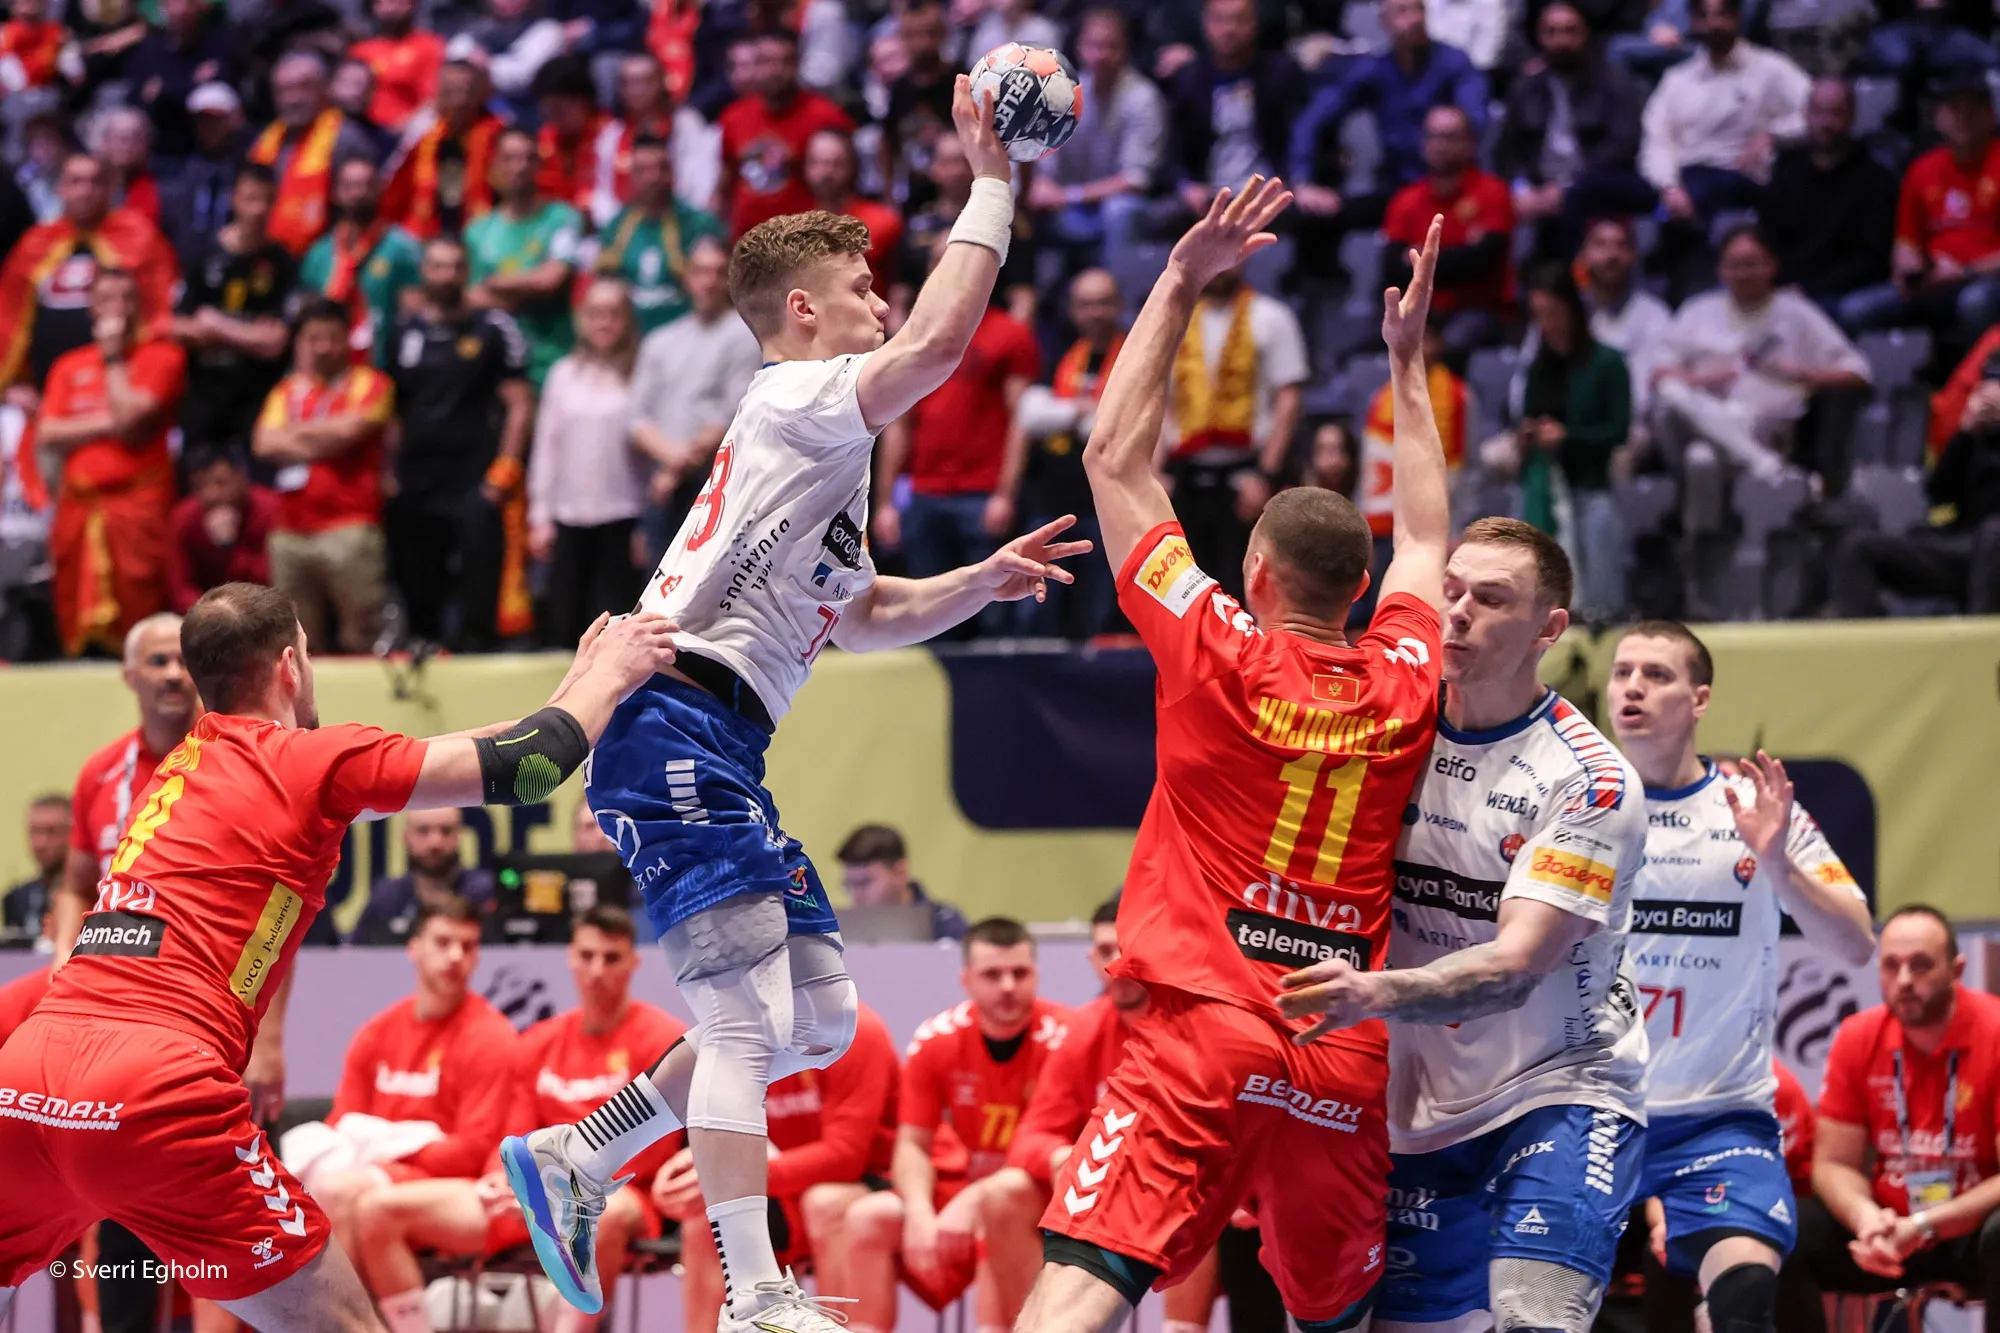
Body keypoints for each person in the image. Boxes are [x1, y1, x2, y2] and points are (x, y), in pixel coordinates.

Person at [500, 83, 1089, 1333]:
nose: (883, 301)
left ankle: (579, 1152)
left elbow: (861, 612)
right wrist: (992, 179)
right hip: (669, 721)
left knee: (817, 1017)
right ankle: (754, 1295)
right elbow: (935, 351)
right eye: (864, 287)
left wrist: (976, 583)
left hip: (721, 741)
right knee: (739, 1019)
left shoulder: (824, 448)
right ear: (804, 310)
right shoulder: (796, 397)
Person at [0, 580, 678, 1332]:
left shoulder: (177, 771)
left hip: (24, 1080)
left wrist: (577, 687)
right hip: (154, 1083)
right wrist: (615, 671)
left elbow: (497, 748)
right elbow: (532, 767)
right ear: (291, 665)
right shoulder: (309, 761)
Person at [1010, 182, 1448, 1333]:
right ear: (1359, 587)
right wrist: (1406, 365)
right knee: (1335, 1314)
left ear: (1253, 572)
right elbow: (1428, 535)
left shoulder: (1216, 644)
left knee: (1086, 1278)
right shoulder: (1405, 676)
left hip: (1205, 1027)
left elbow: (1112, 457)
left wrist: (1175, 280)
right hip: (1341, 1047)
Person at [1276, 515, 1648, 1333]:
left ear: (1549, 628)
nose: (1458, 612)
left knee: (1533, 1318)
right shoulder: (1384, 735)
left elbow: (1515, 967)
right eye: (1450, 591)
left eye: (1491, 598)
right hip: (1411, 1107)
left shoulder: (1590, 781)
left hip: (1557, 1086)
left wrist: (1372, 991)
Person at [1609, 620, 1876, 1333]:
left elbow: (1855, 943)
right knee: (1533, 1302)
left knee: (1748, 1294)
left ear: (1699, 699)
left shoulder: (1753, 809)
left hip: (1717, 1115)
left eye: (1656, 674)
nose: (1633, 687)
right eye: (1622, 671)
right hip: (1593, 1105)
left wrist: (1779, 864)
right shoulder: (1580, 801)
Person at [353, 907, 686, 1333]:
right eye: (587, 956)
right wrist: (500, 1179)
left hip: (619, 1194)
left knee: (602, 1213)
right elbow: (515, 1130)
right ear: (570, 957)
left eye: (611, 957)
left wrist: (559, 1185)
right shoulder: (540, 1041)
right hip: (530, 1195)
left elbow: (651, 1150)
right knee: (377, 1212)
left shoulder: (661, 1038)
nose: (597, 970)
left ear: (633, 962)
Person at [843, 919, 1070, 1329]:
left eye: (1019, 973)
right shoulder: (937, 1038)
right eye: (992, 974)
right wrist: (918, 1213)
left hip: (1037, 1198)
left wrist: (975, 1200)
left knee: (999, 1207)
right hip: (966, 1189)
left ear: (1036, 975)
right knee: (868, 1218)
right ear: (966, 980)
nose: (1007, 986)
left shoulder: (1067, 1039)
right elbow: (913, 1143)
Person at [1797, 906, 2000, 1333]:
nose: (1904, 980)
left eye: (1921, 965)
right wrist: (1867, 1220)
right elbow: (1832, 1164)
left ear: (1957, 970)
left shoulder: (1995, 1030)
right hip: (1889, 1228)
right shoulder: (1858, 1036)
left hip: (1971, 1231)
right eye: (1891, 966)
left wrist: (1924, 1225)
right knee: (1782, 1227)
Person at [664, 1006, 901, 1333]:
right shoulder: (735, 1035)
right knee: (706, 1216)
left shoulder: (855, 1029)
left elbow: (846, 1156)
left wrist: (732, 1179)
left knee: (825, 1203)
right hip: (784, 1187)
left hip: (867, 1183)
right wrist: (697, 1167)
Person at [312, 896, 520, 1252]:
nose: (455, 956)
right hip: (382, 1170)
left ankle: (349, 1293)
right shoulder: (377, 1033)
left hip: (453, 1187)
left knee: (340, 1191)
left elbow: (472, 1151)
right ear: (414, 948)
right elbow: (342, 1123)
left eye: (468, 946)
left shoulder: (492, 1037)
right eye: (443, 942)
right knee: (286, 1193)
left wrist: (392, 1155)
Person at [1651, 227, 1871, 531]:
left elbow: (1859, 372)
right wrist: (1701, 378)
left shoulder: (1797, 313)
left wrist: (1803, 373)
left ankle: (1700, 549)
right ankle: (1764, 465)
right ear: (1721, 270)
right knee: (1670, 392)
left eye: (1751, 264)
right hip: (1706, 417)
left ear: (1771, 266)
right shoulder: (1697, 310)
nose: (1743, 273)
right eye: (1734, 265)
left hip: (1768, 427)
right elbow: (1659, 374)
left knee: (1701, 459)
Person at [385, 235, 534, 653]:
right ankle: (423, 651)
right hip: (417, 480)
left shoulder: (493, 328)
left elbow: (520, 403)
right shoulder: (403, 331)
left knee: (479, 582)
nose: (446, 275)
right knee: (419, 581)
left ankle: (477, 652)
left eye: (455, 266)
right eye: (437, 266)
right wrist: (389, 471)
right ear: (424, 272)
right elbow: (393, 407)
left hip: (475, 479)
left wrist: (505, 468)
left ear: (467, 272)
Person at [36, 265, 186, 658]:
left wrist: (113, 358)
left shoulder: (162, 356)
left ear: (139, 306)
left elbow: (133, 420)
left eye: (125, 297)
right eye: (105, 298)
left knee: (139, 604)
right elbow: (48, 432)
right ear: (91, 307)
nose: (116, 307)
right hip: (78, 507)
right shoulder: (68, 366)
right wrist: (108, 423)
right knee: (73, 608)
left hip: (137, 507)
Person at [873, 273, 1041, 603]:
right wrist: (885, 503)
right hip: (923, 493)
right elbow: (898, 423)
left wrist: (1005, 494)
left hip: (982, 493)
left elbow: (1020, 421)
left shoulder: (1010, 333)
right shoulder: (916, 335)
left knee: (990, 606)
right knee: (923, 606)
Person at [48, 612, 198, 962]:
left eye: (184, 661)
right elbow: (76, 888)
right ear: (130, 676)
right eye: (158, 662)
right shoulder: (101, 771)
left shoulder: (234, 756)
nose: (174, 674)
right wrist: (63, 952)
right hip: (111, 961)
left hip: (197, 960)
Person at [1158, 258, 1309, 600]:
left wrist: (1266, 475)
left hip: (1247, 471)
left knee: (1245, 583)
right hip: (1184, 473)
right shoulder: (1177, 318)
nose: (1220, 267)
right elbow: (1164, 401)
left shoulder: (1271, 317)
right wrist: (1156, 474)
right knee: (1185, 588)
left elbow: (1288, 401)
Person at [1639, 0, 1809, 298]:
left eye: (1722, 14)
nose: (1714, 24)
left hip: (1743, 176)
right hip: (1687, 179)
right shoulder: (1677, 79)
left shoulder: (1770, 68)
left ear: (1738, 17)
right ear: (1693, 22)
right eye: (1704, 16)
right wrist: (1669, 186)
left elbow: (1816, 111)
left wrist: (1774, 134)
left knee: (1718, 195)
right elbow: (1656, 139)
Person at [253, 298, 394, 655]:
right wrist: (325, 439)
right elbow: (263, 443)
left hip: (351, 527)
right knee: (295, 643)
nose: (324, 347)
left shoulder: (372, 383)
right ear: (301, 341)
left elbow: (351, 431)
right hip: (289, 533)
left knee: (361, 635)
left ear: (348, 338)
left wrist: (293, 433)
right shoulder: (287, 390)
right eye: (314, 338)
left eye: (333, 337)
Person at [1289, 0, 1489, 249]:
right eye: (1402, 12)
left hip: (1451, 185)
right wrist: (1303, 181)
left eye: (1419, 9)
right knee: (1310, 218)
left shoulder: (1454, 63)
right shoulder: (1375, 69)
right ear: (1385, 23)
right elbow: (1312, 121)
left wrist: (1443, 135)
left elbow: (1474, 121)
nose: (1414, 19)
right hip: (1396, 187)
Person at [1003, 268, 1124, 639]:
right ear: (1072, 309)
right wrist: (1005, 494)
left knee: (1100, 607)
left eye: (1104, 303)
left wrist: (1065, 414)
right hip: (1052, 499)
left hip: (1108, 504)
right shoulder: (1056, 352)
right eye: (1086, 305)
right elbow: (1028, 417)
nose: (1095, 313)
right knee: (1038, 606)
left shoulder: (1134, 354)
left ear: (1119, 305)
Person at [528, 278, 649, 647]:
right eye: (595, 314)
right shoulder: (563, 374)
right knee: (564, 625)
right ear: (582, 319)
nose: (604, 323)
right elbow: (547, 447)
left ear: (627, 319)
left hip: (623, 517)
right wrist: (539, 515)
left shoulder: (643, 374)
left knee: (615, 630)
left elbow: (651, 452)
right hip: (568, 519)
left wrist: (648, 524)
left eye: (613, 314)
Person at [0, 153, 178, 399]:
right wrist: (11, 385)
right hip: (39, 391)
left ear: (110, 188)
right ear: (61, 189)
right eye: (75, 182)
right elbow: (8, 319)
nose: (85, 191)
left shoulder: (139, 237)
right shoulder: (35, 243)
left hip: (120, 381)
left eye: (95, 182)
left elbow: (159, 312)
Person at [1511, 264, 1632, 622]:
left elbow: (1618, 431)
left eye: (1553, 312)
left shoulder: (1608, 363)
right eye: (1539, 315)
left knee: (1599, 583)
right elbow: (1529, 414)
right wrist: (1529, 434)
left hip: (1591, 482)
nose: (1546, 323)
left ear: (1572, 309)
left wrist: (1568, 437)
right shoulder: (1539, 365)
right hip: (1547, 484)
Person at [1842, 73, 2000, 345]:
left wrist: (1966, 271)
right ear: (1939, 117)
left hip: (1986, 280)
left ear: (1991, 117)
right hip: (1933, 282)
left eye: (1973, 110)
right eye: (1955, 109)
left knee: (1975, 302)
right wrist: (1911, 273)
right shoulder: (1921, 170)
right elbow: (1907, 243)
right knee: (1855, 309)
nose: (1963, 118)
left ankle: (1979, 371)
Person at [626, 234, 762, 552]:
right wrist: (671, 460)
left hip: (715, 483)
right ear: (687, 277)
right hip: (661, 480)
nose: (709, 281)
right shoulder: (660, 340)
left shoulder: (744, 336)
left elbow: (734, 412)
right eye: (701, 271)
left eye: (719, 272)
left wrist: (676, 468)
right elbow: (636, 417)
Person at [1494, 1, 1653, 261]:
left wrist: (1565, 187)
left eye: (1570, 31)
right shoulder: (1525, 87)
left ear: (1585, 34)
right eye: (1552, 32)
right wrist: (1522, 189)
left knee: (1580, 197)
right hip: (1540, 186)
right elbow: (1507, 151)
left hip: (1596, 184)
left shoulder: (1614, 82)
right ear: (1539, 37)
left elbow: (1623, 145)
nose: (1561, 41)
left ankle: (1571, 276)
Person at [1022, 8, 1165, 275]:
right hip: (1068, 210)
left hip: (1116, 206)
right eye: (1094, 46)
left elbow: (1135, 181)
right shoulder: (1062, 92)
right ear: (1079, 48)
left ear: (1126, 50)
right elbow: (1045, 163)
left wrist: (1068, 196)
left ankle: (1116, 294)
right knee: (1017, 199)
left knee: (1121, 211)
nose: (1101, 55)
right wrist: (1040, 185)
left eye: (1111, 46)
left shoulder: (1143, 97)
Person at [171, 164, 296, 461]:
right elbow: (178, 327)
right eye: (251, 198)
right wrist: (251, 336)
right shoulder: (201, 254)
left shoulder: (283, 262)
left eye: (266, 200)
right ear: (234, 200)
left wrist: (215, 326)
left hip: (258, 396)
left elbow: (275, 342)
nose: (258, 209)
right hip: (204, 393)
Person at [1161, 0, 1306, 240]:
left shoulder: (1282, 74)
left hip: (1268, 192)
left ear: (1255, 24)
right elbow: (1172, 149)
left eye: (1239, 20)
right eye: (1220, 20)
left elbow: (1300, 135)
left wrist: (1295, 181)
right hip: (1208, 195)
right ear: (1205, 25)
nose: (1229, 29)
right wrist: (1186, 185)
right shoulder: (1188, 80)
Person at [1382, 104, 1516, 358]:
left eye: (1450, 137)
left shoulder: (1493, 192)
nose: (1440, 145)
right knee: (1372, 344)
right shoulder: (1405, 200)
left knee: (1451, 343)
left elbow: (1482, 262)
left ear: (1470, 143)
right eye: (1433, 136)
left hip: (1479, 310)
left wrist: (1419, 259)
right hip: (1419, 310)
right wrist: (1460, 254)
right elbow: (1391, 267)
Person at [1759, 80, 1897, 316]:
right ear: (1806, 114)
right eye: (1818, 112)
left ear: (1852, 117)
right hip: (1782, 286)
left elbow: (1872, 260)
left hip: (1839, 293)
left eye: (1835, 113)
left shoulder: (1876, 179)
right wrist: (1779, 284)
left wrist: (1808, 290)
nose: (1825, 122)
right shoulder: (1786, 168)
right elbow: (1769, 237)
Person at [466, 126, 584, 389]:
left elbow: (551, 281)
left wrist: (494, 282)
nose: (519, 167)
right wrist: (530, 291)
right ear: (495, 164)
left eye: (528, 158)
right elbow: (470, 297)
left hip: (552, 359)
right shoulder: (477, 230)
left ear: (538, 165)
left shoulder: (563, 219)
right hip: (496, 365)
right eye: (509, 158)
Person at [716, 29, 853, 239]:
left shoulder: (826, 116)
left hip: (805, 240)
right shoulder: (733, 117)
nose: (775, 70)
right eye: (766, 62)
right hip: (746, 240)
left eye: (785, 61)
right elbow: (726, 184)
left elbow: (847, 184)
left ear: (798, 64)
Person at [592, 135, 727, 336]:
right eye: (643, 170)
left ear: (672, 172)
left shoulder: (699, 225)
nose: (653, 177)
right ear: (632, 175)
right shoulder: (615, 228)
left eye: (661, 168)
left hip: (689, 335)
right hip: (630, 338)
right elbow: (602, 288)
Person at [247, 51, 380, 256]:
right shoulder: (265, 141)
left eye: (303, 87)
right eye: (283, 90)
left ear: (324, 88)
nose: (292, 98)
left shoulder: (347, 139)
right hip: (270, 256)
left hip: (330, 256)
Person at [299, 157, 424, 369]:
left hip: (383, 367)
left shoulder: (403, 249)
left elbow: (415, 316)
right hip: (329, 370)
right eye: (350, 186)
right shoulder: (319, 254)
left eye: (367, 185)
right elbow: (308, 321)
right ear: (336, 192)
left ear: (380, 188)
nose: (359, 193)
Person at [382, 60, 501, 241]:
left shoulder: (497, 136)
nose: (458, 99)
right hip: (431, 235)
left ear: (481, 93)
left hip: (484, 234)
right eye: (449, 90)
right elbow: (396, 195)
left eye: (465, 90)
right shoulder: (425, 138)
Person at [351, 809, 499, 944]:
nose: (435, 843)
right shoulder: (386, 897)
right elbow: (354, 954)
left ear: (460, 836)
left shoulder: (486, 892)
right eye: (423, 831)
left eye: (446, 831)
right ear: (406, 837)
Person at [1576, 218, 1674, 420]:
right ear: (1584, 256)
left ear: (1633, 256)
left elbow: (1643, 395)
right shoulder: (1566, 310)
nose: (1611, 255)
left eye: (1621, 246)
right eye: (1600, 244)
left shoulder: (1653, 315)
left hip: (1625, 426)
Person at [168, 448, 279, 611]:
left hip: (265, 608)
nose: (211, 494)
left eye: (220, 483)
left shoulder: (271, 508)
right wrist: (210, 613)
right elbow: (180, 588)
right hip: (207, 613)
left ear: (242, 477)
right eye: (199, 487)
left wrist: (230, 549)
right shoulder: (184, 518)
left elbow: (275, 579)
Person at [802, 129, 902, 297]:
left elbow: (900, 284)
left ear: (852, 167)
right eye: (817, 163)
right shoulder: (796, 226)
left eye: (836, 164)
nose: (826, 172)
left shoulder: (882, 221)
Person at [834, 824, 968, 941]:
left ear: (900, 871)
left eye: (865, 883)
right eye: (848, 885)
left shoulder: (944, 924)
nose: (856, 896)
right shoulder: (836, 933)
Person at [347, 0, 445, 135]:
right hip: (359, 133)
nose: (389, 7)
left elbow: (432, 100)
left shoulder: (429, 47)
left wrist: (402, 128)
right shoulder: (359, 50)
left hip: (406, 134)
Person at [2, 793, 69, 945]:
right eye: (34, 832)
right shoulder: (16, 898)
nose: (40, 843)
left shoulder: (98, 895)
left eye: (52, 832)